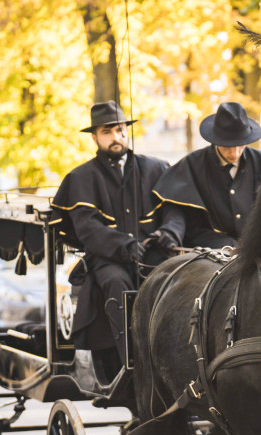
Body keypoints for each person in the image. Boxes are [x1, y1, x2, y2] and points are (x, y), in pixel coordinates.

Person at [50, 101, 172, 376]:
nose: (116, 137)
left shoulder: (156, 168)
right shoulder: (81, 178)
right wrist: (125, 246)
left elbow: (175, 213)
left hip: (152, 254)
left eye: (120, 130)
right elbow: (88, 229)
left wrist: (167, 234)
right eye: (108, 132)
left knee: (180, 278)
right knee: (117, 283)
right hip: (107, 261)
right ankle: (132, 364)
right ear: (95, 137)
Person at [153, 102, 261, 249]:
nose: (234, 153)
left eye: (240, 145)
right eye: (227, 146)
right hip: (209, 247)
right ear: (215, 140)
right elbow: (176, 209)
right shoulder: (191, 165)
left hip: (260, 247)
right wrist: (171, 232)